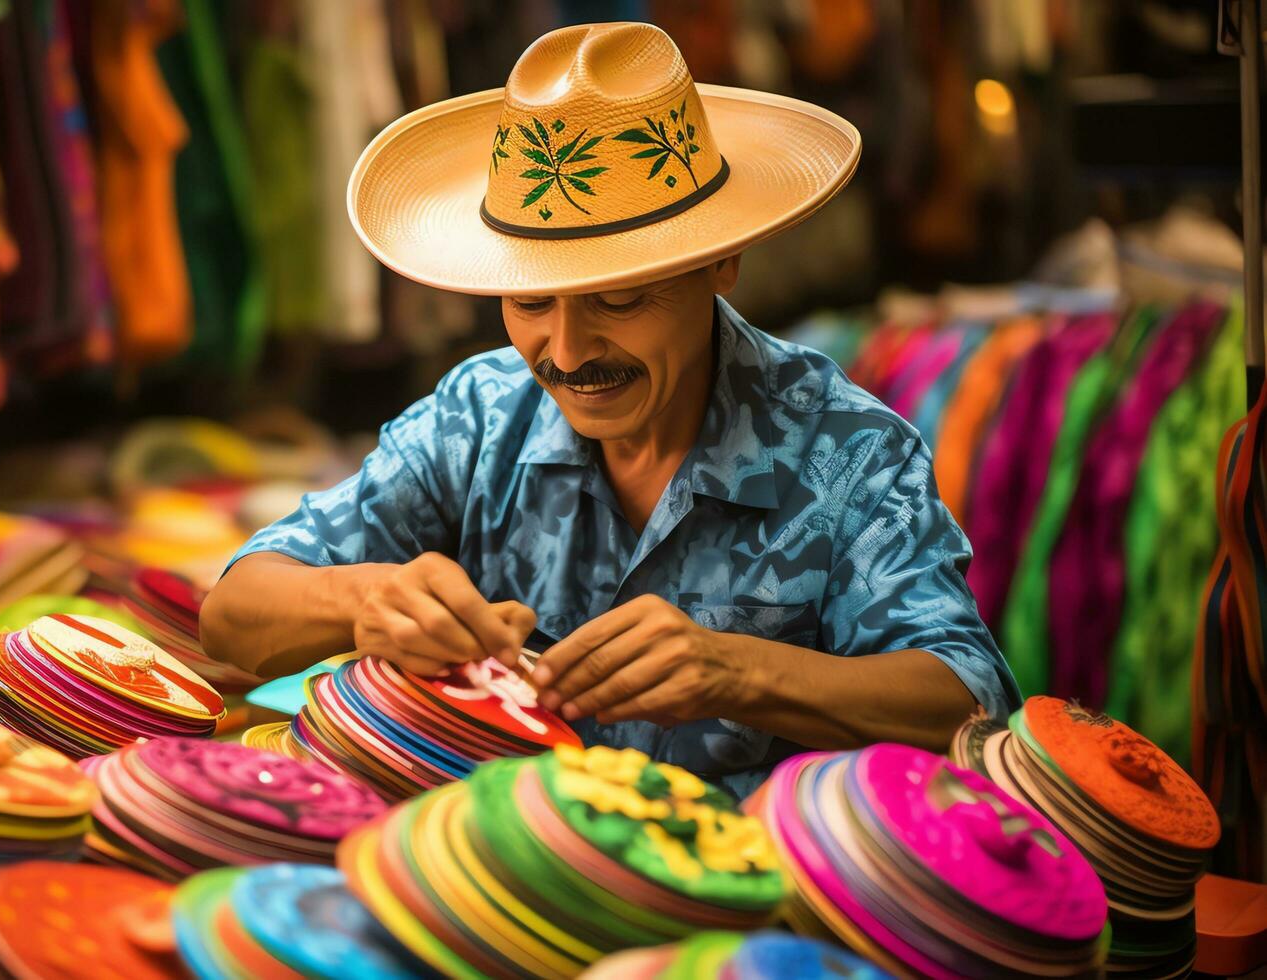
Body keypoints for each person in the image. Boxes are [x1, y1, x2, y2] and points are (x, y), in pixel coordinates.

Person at [200, 22, 1020, 797]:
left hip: (744, 922)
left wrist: (739, 673)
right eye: (527, 304)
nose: (564, 350)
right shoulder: (482, 413)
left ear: (720, 262)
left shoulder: (847, 450)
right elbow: (233, 616)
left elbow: (968, 701)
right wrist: (368, 600)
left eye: (619, 298)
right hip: (492, 878)